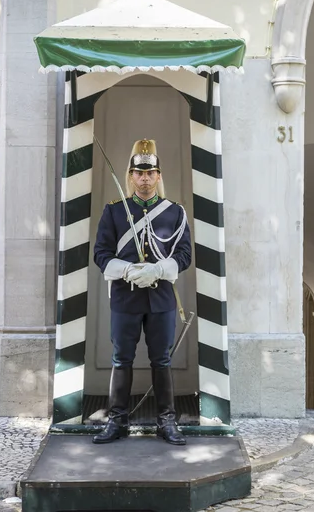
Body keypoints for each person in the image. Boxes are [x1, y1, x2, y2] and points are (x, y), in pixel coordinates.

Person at [93, 139, 191, 445]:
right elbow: (101, 254)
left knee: (161, 360)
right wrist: (127, 270)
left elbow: (185, 254)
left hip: (160, 297)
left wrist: (158, 270)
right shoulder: (114, 212)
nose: (145, 179)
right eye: (139, 173)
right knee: (121, 358)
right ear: (131, 176)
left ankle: (166, 422)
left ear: (159, 176)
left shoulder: (174, 213)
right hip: (125, 296)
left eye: (150, 173)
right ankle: (117, 421)